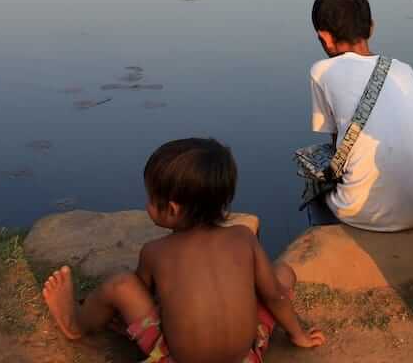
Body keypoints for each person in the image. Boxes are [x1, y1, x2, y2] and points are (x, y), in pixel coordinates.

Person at [42, 138, 325, 363]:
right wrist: (298, 334)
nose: (147, 205)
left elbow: (147, 297)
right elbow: (274, 296)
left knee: (120, 284)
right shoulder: (243, 237)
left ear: (173, 209)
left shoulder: (156, 251)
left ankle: (75, 324)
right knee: (282, 274)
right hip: (245, 357)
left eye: (151, 199)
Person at [308, 0, 413, 230]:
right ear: (371, 27)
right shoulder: (404, 70)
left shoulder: (321, 72)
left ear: (324, 38)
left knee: (313, 169)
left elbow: (339, 143)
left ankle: (325, 236)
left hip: (356, 213)